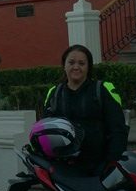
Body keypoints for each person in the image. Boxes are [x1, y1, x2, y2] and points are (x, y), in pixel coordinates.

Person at [43, 45, 128, 177]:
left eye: (82, 63)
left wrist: (111, 163)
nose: (76, 67)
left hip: (98, 167)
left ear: (89, 67)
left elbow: (118, 130)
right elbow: (46, 130)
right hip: (63, 168)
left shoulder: (103, 90)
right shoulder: (54, 93)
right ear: (64, 65)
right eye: (71, 62)